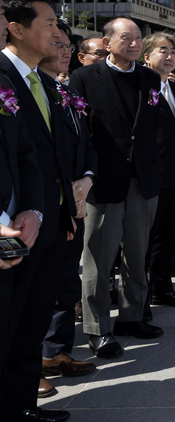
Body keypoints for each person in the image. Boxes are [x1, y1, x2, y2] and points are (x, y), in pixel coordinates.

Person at [0, 0, 76, 422]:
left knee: (32, 321)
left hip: (45, 221)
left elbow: (43, 155)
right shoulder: (4, 77)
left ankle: (24, 405)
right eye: (48, 25)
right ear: (16, 28)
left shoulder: (44, 83)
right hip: (11, 229)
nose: (57, 34)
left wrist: (61, 212)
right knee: (9, 324)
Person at [69, 17, 164, 360]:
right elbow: (79, 133)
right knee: (98, 259)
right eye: (127, 37)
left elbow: (152, 127)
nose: (136, 42)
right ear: (107, 43)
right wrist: (84, 176)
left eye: (139, 37)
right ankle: (97, 329)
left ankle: (132, 316)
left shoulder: (150, 78)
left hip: (142, 180)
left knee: (137, 255)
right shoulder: (83, 78)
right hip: (103, 181)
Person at [36, 21, 98, 400]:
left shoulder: (66, 91)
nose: (65, 52)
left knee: (64, 282)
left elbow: (85, 144)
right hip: (42, 207)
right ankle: (31, 364)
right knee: (36, 290)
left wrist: (86, 180)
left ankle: (55, 352)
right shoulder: (25, 91)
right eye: (57, 44)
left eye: (68, 46)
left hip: (73, 203)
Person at [142, 32, 175, 312]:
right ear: (147, 56)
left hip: (174, 175)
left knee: (166, 236)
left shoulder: (174, 89)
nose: (170, 56)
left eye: (173, 51)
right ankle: (139, 297)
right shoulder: (140, 86)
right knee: (145, 239)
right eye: (163, 51)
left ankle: (162, 289)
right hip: (150, 176)